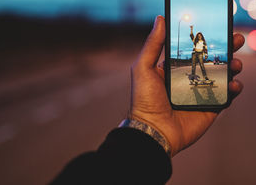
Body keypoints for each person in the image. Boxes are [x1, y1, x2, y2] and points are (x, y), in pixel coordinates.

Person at [50, 16, 244, 184]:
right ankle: (197, 76)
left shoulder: (202, 43)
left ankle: (201, 76)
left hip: (199, 57)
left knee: (202, 70)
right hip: (195, 56)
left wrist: (149, 130)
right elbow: (194, 39)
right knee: (196, 69)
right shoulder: (197, 41)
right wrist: (151, 125)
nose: (200, 37)